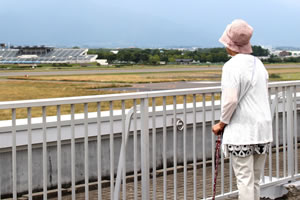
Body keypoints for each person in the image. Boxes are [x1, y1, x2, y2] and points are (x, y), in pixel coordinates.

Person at [212, 19, 273, 200]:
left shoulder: (231, 66)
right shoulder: (258, 64)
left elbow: (230, 100)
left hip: (242, 131)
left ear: (230, 44)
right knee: (254, 180)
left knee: (244, 180)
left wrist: (222, 123)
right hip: (262, 129)